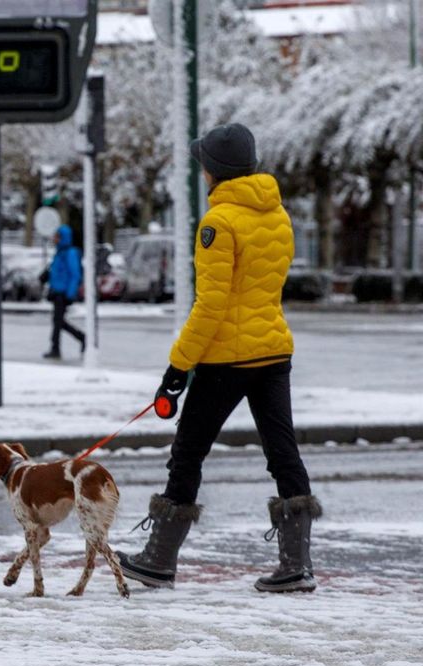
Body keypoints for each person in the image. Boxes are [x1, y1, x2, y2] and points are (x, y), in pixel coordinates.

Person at [117, 123, 320, 594]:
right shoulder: (278, 216)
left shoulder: (218, 223)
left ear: (214, 170)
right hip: (273, 350)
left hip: (227, 359)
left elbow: (210, 306)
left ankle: (159, 559)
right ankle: (297, 564)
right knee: (282, 452)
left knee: (187, 453)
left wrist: (178, 366)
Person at [41, 224, 85, 360]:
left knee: (58, 321)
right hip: (57, 291)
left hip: (63, 293)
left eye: (57, 237)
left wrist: (70, 293)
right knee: (58, 321)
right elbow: (57, 273)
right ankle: (80, 339)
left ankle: (58, 347)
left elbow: (75, 274)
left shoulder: (70, 253)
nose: (54, 239)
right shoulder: (59, 253)